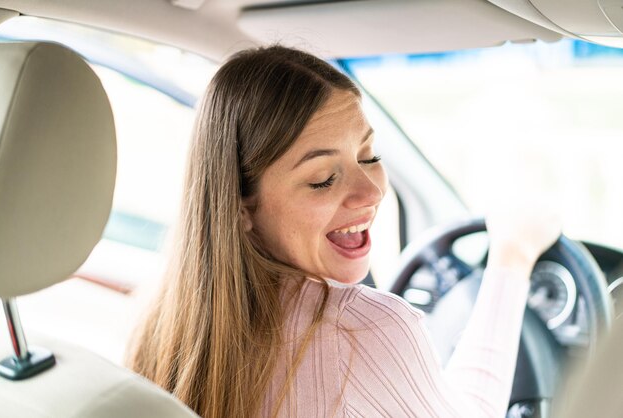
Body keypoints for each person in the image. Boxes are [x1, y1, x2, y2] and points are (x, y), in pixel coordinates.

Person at [126, 45, 560, 418]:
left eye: (369, 155)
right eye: (322, 179)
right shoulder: (362, 331)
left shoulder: (161, 324)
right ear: (241, 207)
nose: (371, 191)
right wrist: (512, 256)